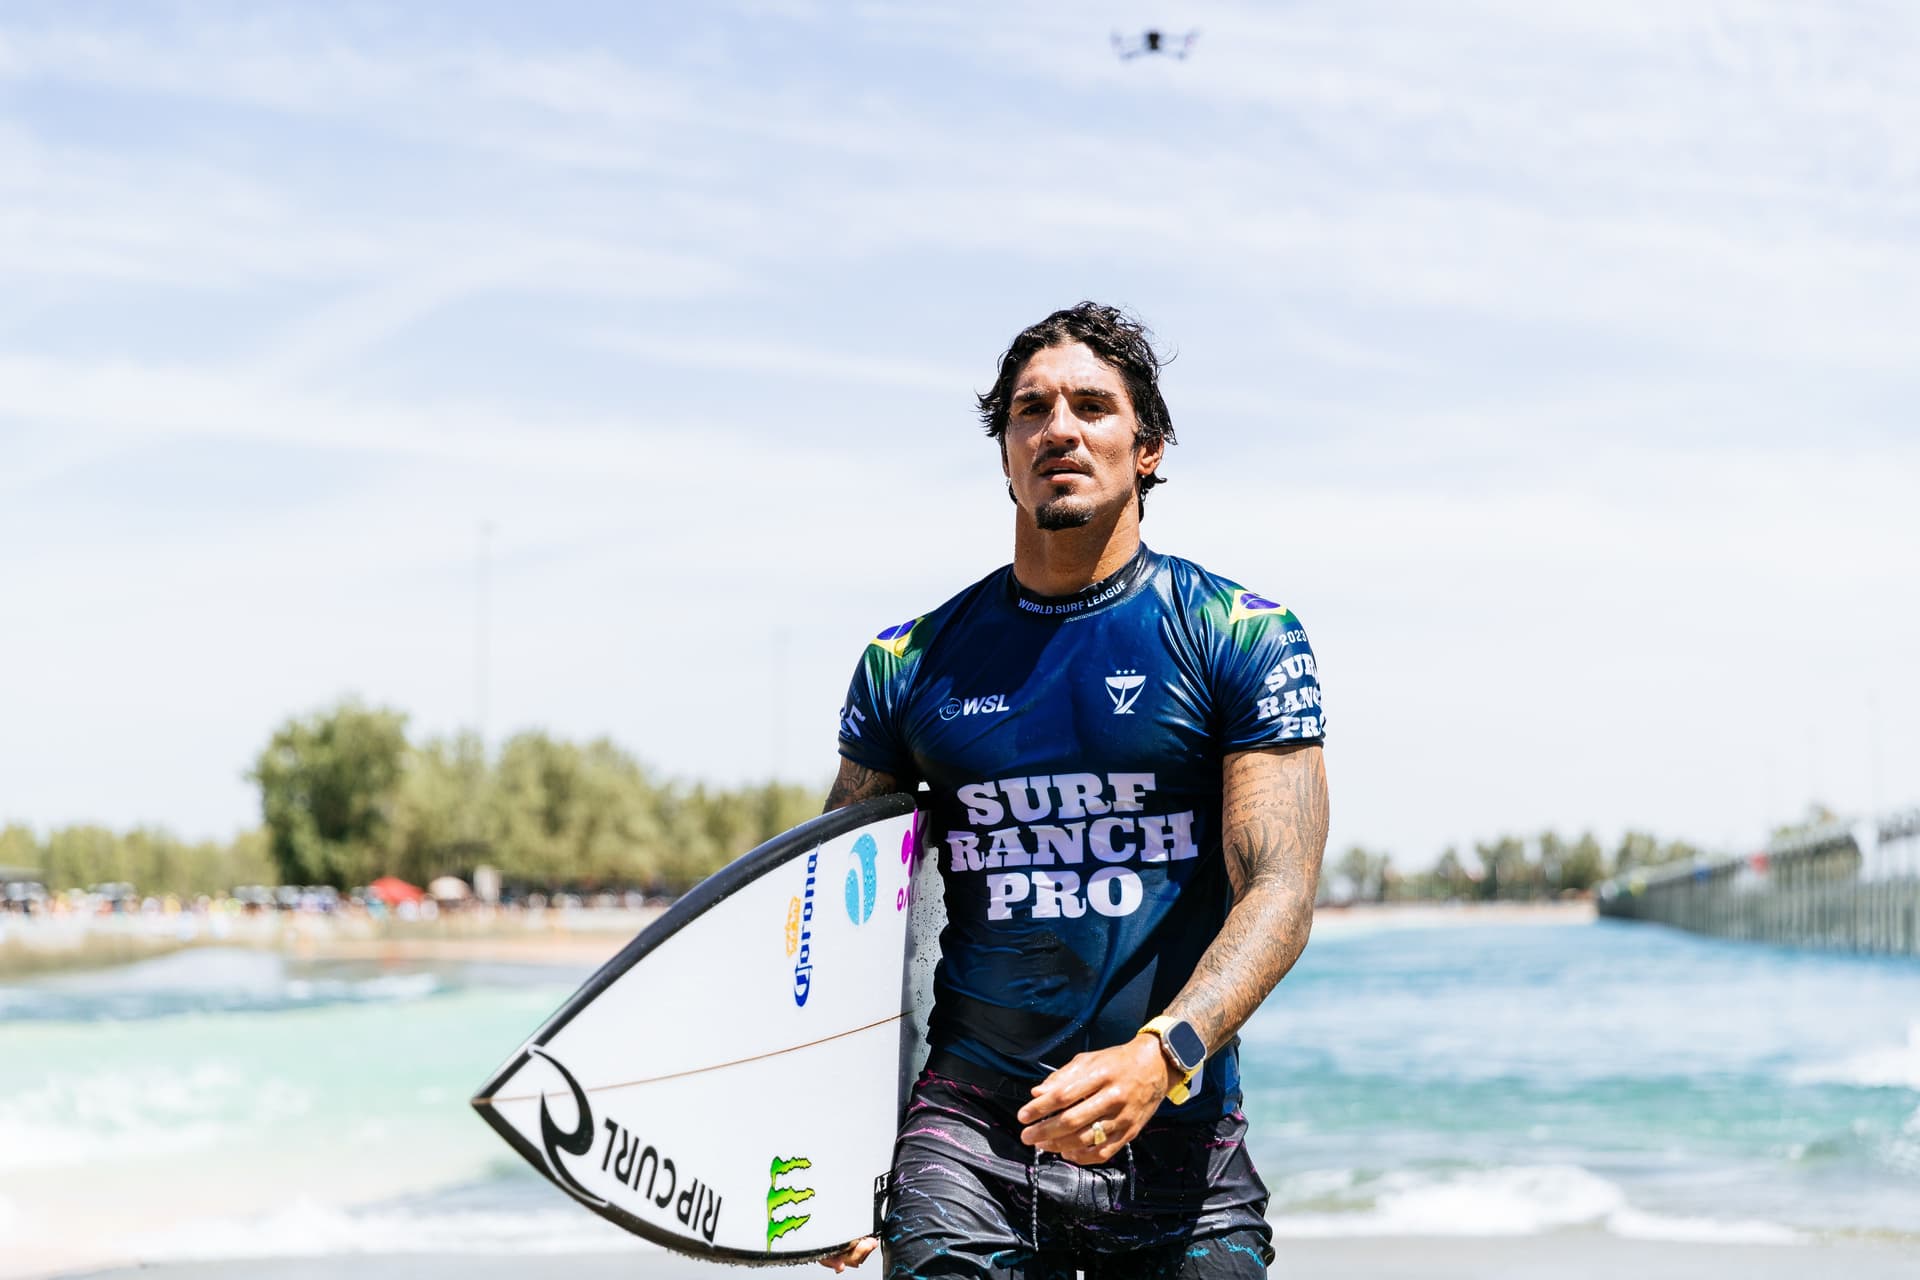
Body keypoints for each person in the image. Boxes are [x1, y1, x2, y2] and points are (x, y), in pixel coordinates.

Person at [823, 302, 1328, 1278]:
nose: (1059, 426)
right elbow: (844, 926)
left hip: (1180, 1135)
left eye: (1092, 406)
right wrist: (836, 1150)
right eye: (1031, 409)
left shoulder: (1241, 633)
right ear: (1005, 449)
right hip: (968, 1136)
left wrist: (1164, 1052)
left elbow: (1280, 886)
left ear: (1147, 447)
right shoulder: (909, 662)